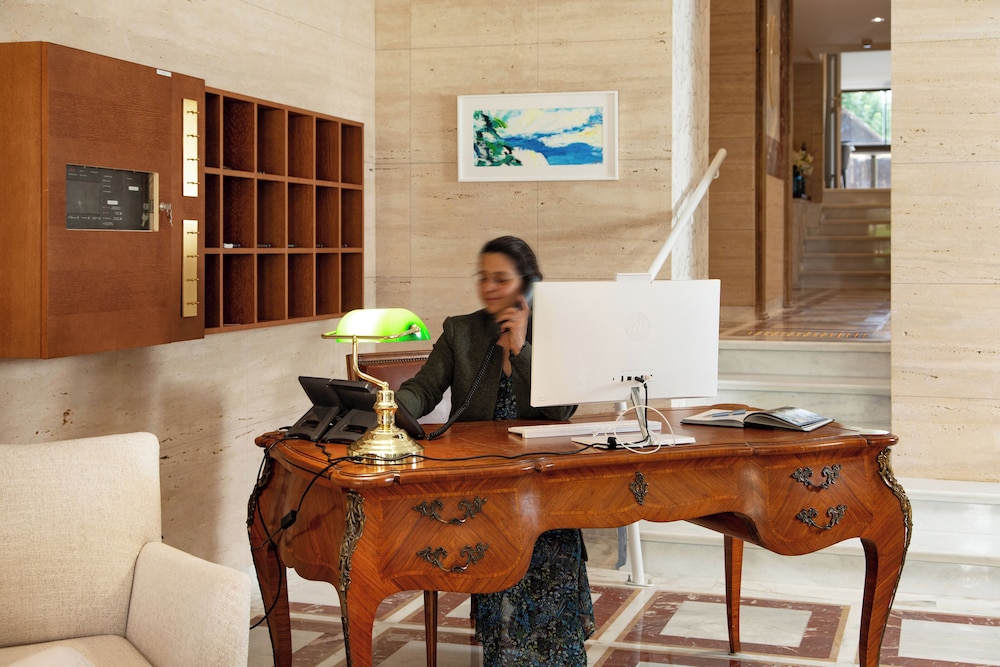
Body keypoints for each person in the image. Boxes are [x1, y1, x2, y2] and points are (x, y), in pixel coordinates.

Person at [396, 235, 595, 666]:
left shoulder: (555, 329)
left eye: (500, 279)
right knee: (500, 549)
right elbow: (424, 387)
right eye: (483, 277)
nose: (488, 287)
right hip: (485, 481)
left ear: (527, 285)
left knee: (547, 541)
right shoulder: (461, 330)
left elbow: (562, 409)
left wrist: (520, 347)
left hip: (545, 479)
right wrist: (389, 406)